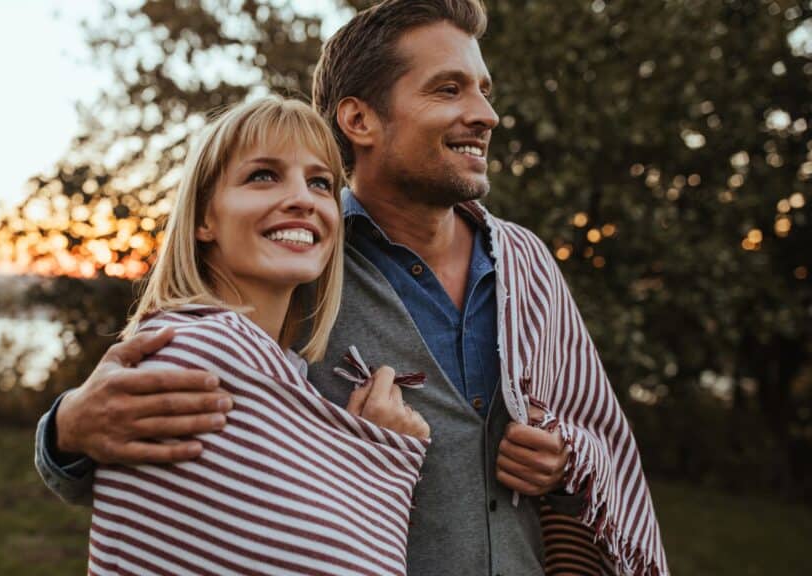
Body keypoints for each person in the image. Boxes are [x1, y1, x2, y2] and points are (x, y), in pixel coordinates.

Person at [35, 1, 669, 574]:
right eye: (448, 89)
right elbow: (177, 477)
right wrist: (65, 432)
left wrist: (564, 465)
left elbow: (598, 440)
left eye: (483, 90)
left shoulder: (527, 264)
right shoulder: (295, 261)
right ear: (360, 119)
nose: (486, 114)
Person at [84, 95, 431, 575]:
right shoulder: (200, 353)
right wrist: (387, 457)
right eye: (263, 176)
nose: (303, 199)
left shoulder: (275, 367)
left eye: (320, 183)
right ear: (205, 218)